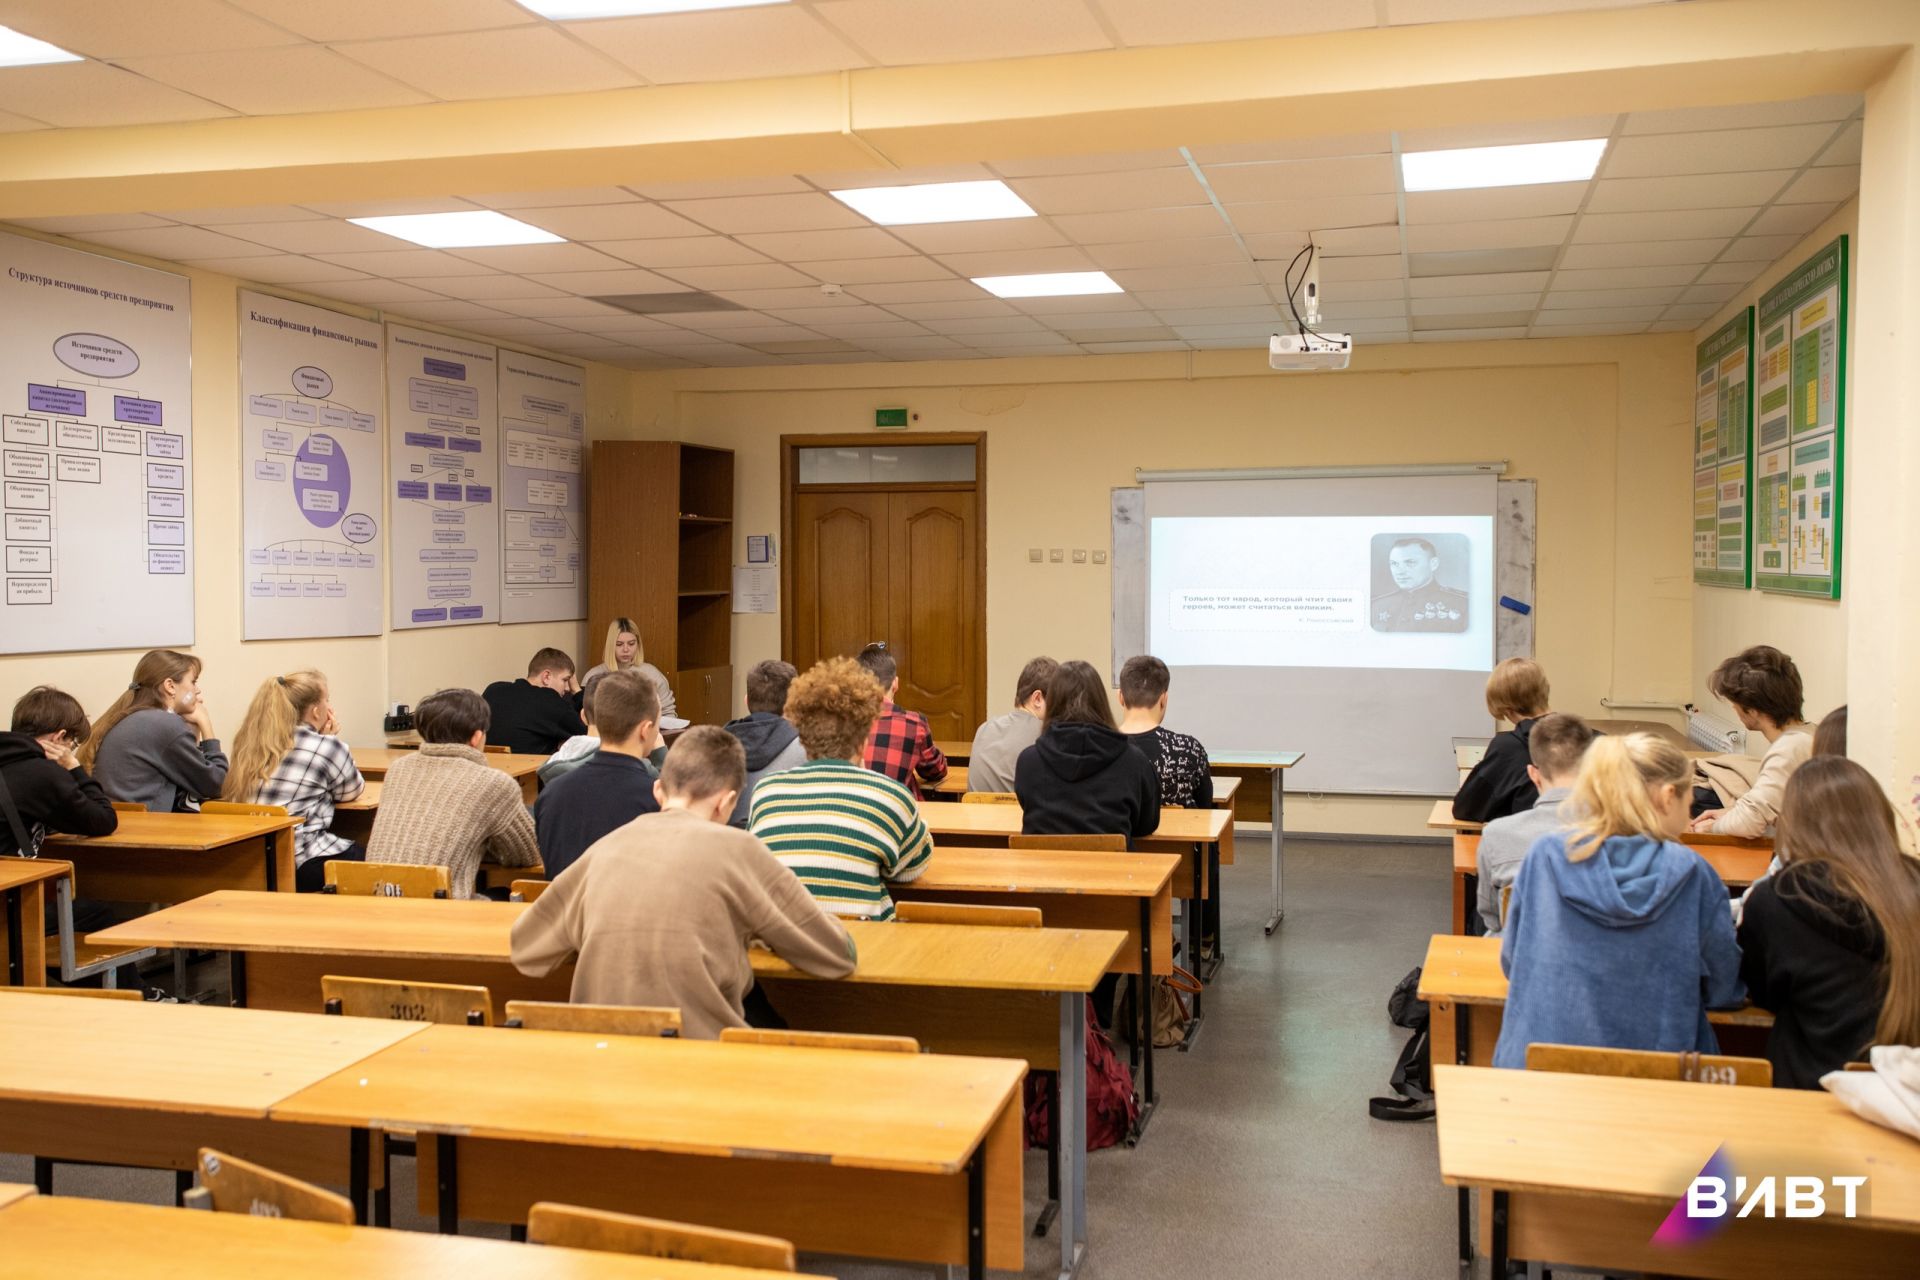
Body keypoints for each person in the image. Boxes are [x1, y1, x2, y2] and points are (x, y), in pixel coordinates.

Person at [511, 726, 856, 1039]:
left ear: (659, 791)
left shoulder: (606, 847)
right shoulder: (740, 850)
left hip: (602, 1051)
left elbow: (526, 948)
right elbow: (836, 954)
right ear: (727, 802)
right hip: (699, 1054)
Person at [1493, 734, 1744, 1069]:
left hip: (1540, 1067)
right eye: (1689, 798)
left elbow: (1513, 962)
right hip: (1657, 1074)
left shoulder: (1545, 857)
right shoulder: (1694, 874)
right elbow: (1723, 989)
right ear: (1668, 797)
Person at [1737, 756, 1920, 1088]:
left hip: (1807, 1088)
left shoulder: (1776, 899)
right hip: (1903, 1090)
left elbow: (1762, 992)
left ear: (1793, 822)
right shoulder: (1912, 886)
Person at [750, 657, 932, 921]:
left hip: (782, 938)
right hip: (862, 940)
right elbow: (914, 867)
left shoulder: (766, 792)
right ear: (863, 740)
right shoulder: (890, 797)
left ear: (803, 738)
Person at [367, 688, 539, 898]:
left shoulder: (398, 769)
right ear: (476, 737)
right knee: (505, 894)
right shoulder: (493, 783)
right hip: (440, 907)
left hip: (378, 899)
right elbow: (526, 854)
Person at [222, 670, 367, 893]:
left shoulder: (252, 744)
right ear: (316, 711)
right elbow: (351, 790)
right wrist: (328, 740)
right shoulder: (326, 747)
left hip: (252, 863)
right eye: (327, 700)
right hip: (301, 862)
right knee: (377, 859)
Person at [532, 671, 662, 881]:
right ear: (646, 730)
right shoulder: (655, 797)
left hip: (565, 902)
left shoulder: (551, 794)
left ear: (587, 718)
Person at [1474, 712, 1595, 938]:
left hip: (1520, 954)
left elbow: (1491, 918)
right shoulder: (1624, 835)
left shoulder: (1496, 835)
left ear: (1533, 774)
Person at [1014, 660, 1160, 844]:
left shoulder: (1028, 761)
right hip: (1113, 862)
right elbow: (1147, 824)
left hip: (1043, 863)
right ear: (1101, 702)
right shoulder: (1134, 761)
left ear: (1053, 703)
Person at [83, 649, 227, 812]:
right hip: (144, 825)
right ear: (170, 686)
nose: (197, 690)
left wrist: (193, 730)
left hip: (123, 822)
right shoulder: (164, 724)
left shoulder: (136, 718)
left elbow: (191, 776)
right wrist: (205, 723)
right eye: (193, 682)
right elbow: (217, 784)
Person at [1691, 645, 1812, 837]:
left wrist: (1711, 828)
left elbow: (1748, 823)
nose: (1734, 709)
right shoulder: (1809, 734)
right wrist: (1731, 813)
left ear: (1752, 711)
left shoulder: (1789, 748)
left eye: (1735, 704)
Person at [0, 686, 117, 858]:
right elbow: (105, 820)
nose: (71, 751)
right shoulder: (42, 774)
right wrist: (74, 766)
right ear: (59, 737)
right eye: (72, 744)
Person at [1453, 658, 1553, 823]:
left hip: (1530, 837)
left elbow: (1466, 808)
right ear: (1545, 689)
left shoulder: (1508, 747)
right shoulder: (1592, 739)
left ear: (1507, 708)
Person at [537, 671, 666, 787]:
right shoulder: (639, 768)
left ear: (583, 716)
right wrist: (660, 752)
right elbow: (668, 793)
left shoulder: (555, 763)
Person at [1117, 655, 1212, 809]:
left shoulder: (1099, 747)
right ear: (1163, 699)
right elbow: (1205, 810)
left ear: (1120, 697)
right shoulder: (1188, 750)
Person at [856, 643, 947, 795]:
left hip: (854, 806)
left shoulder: (842, 724)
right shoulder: (914, 724)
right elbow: (935, 770)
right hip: (896, 807)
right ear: (895, 683)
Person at [722, 659, 806, 826]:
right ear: (793, 703)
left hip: (726, 839)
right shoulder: (807, 750)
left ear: (746, 701)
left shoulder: (713, 747)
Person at [967, 656, 1056, 795]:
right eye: (1056, 701)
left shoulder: (984, 728)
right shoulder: (1045, 736)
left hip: (974, 809)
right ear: (1037, 699)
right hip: (1018, 810)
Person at [482, 648, 587, 755]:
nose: (567, 688)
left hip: (486, 763)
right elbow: (590, 738)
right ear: (546, 676)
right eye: (565, 680)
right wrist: (577, 692)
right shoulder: (551, 701)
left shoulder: (493, 690)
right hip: (528, 765)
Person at [580, 616, 678, 721]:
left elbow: (668, 713)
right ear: (610, 646)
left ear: (638, 644)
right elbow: (587, 718)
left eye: (631, 644)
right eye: (619, 644)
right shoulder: (593, 676)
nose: (626, 649)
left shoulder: (652, 674)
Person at [1371, 536, 1468, 633]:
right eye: (1394, 564)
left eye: (1410, 563)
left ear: (1433, 564)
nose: (1399, 572)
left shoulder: (1464, 604)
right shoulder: (1376, 605)